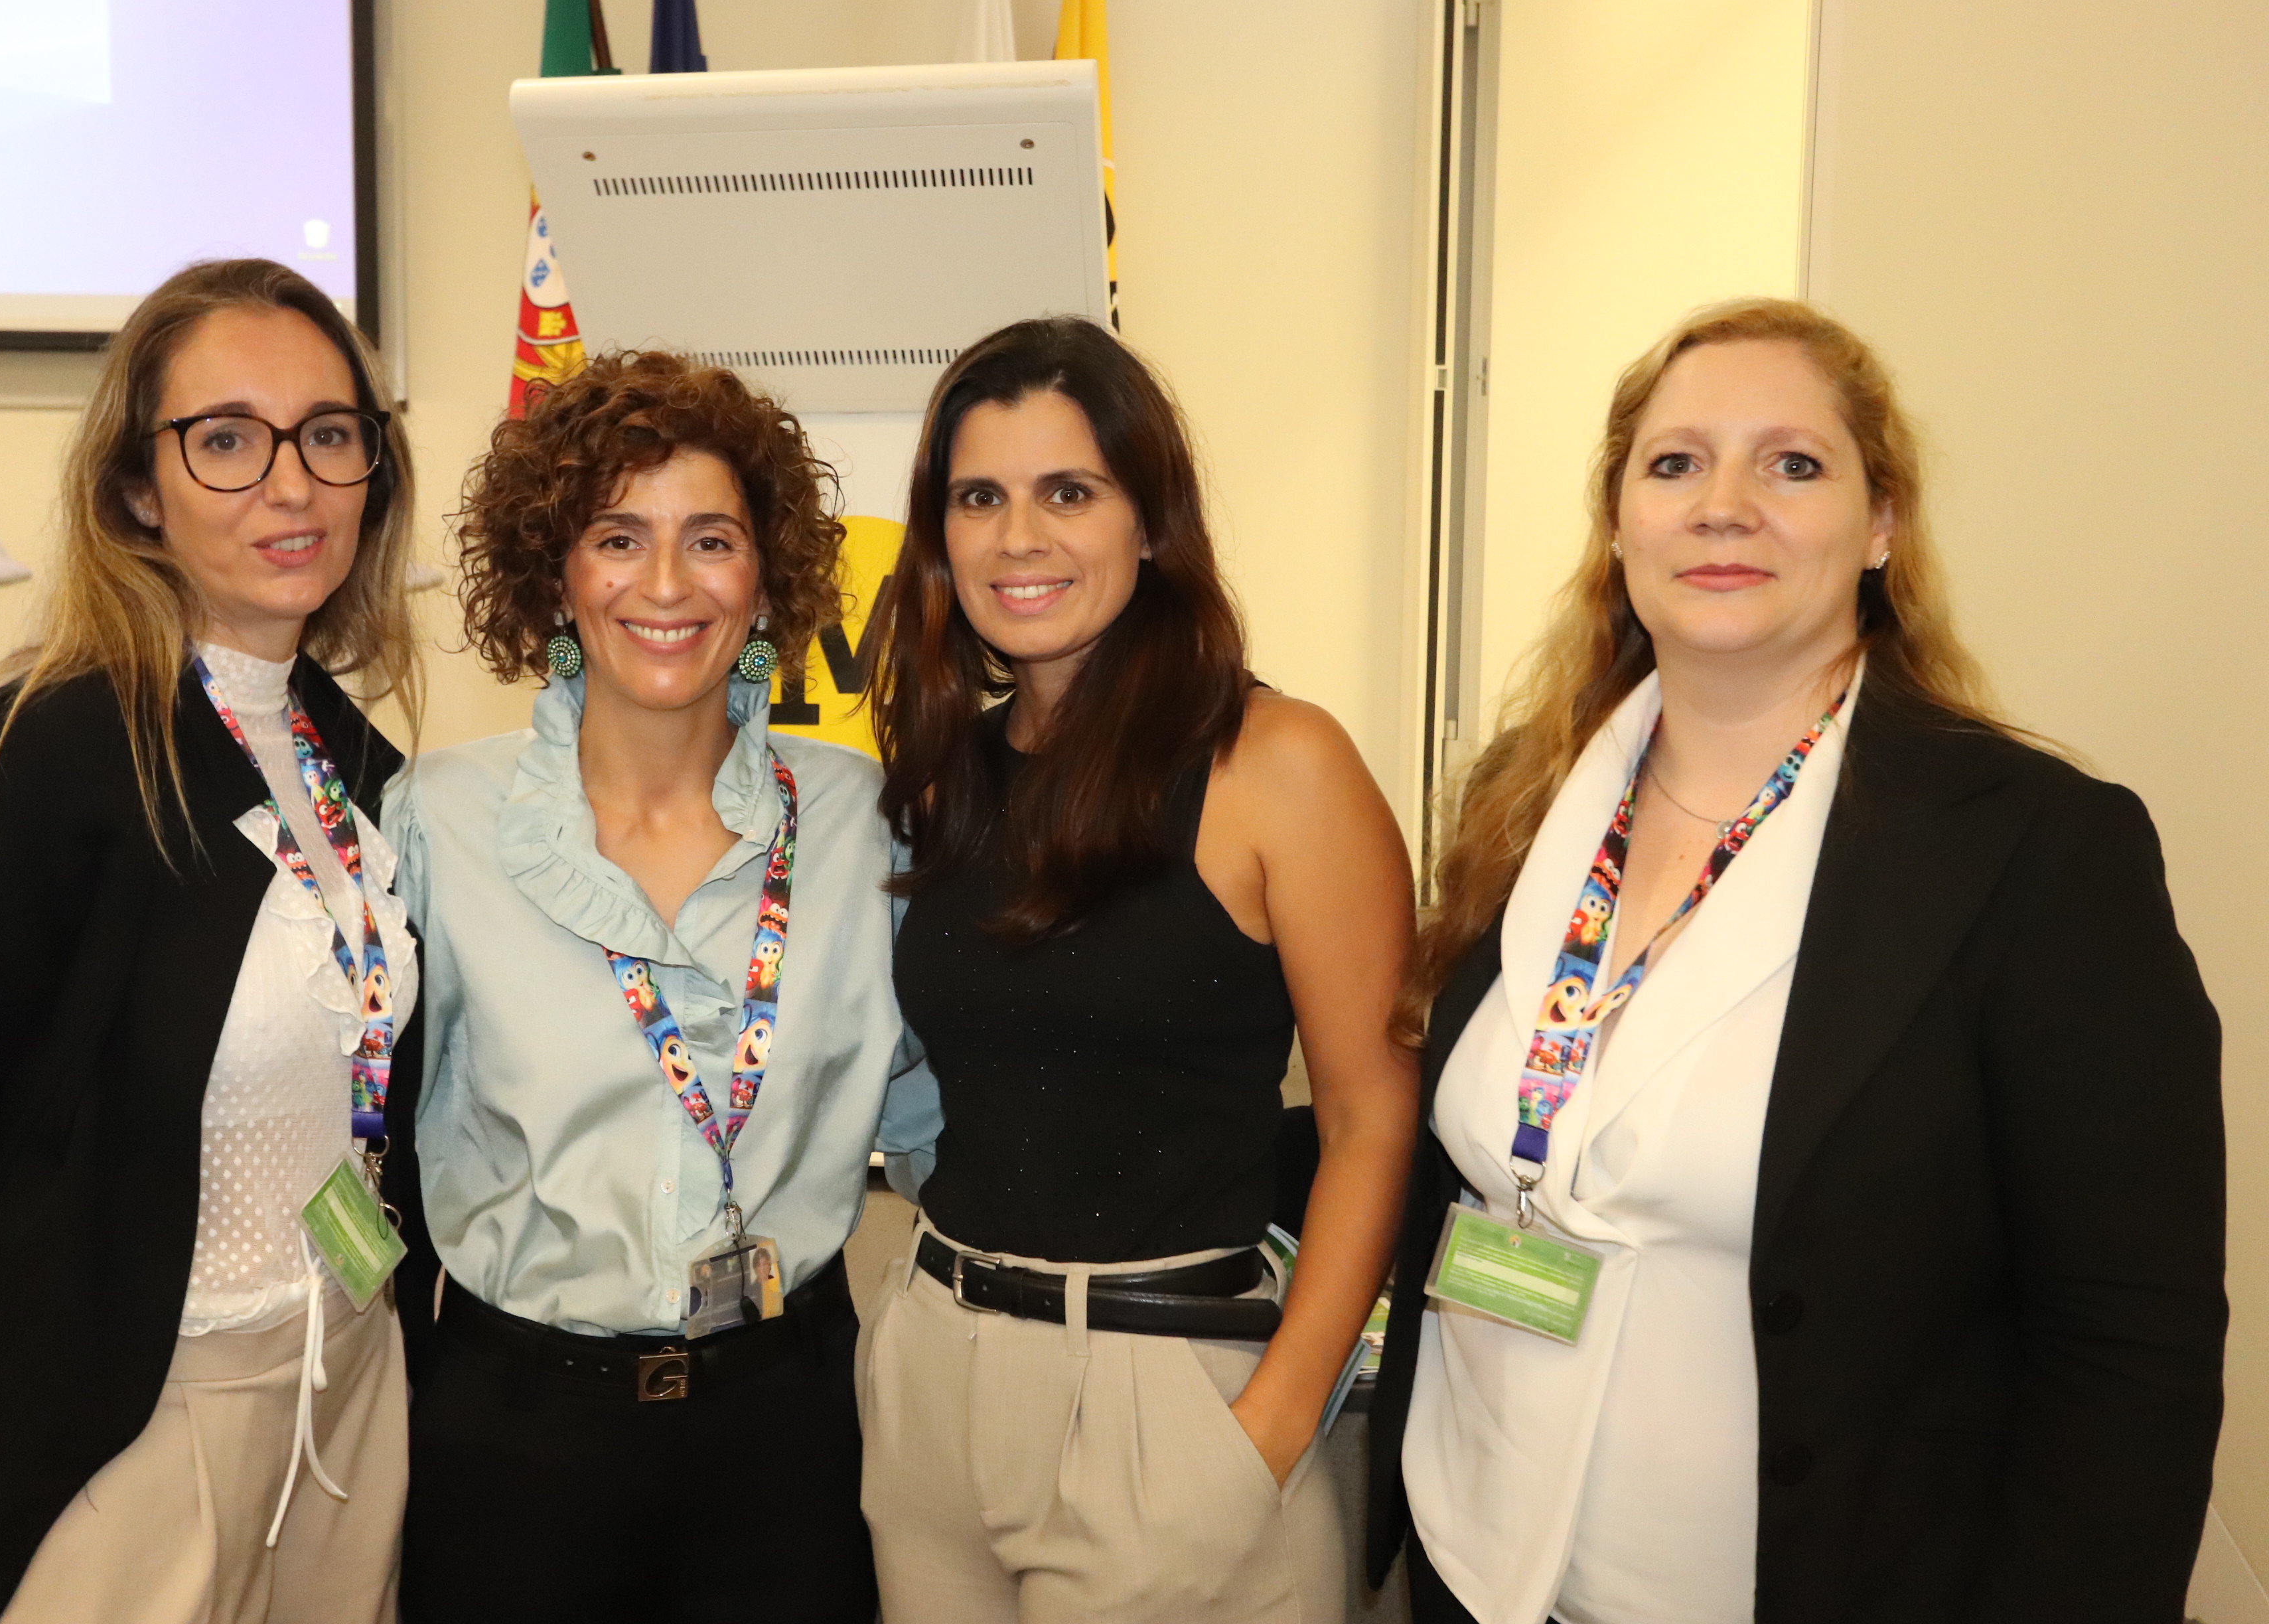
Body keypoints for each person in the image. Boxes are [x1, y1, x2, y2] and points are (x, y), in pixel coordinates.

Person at [1369, 298, 2225, 1624]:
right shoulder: (1522, 802)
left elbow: (2128, 1343)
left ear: (1881, 524)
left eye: (1792, 463)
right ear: (1618, 523)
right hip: (1476, 1565)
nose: (1724, 506)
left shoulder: (2037, 852)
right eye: (1675, 463)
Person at [0, 258, 425, 1624]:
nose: (293, 484)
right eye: (227, 440)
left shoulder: (348, 755)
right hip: (126, 1429)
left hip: (348, 1395)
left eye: (329, 433)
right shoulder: (20, 769)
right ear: (139, 487)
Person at [858, 316, 1417, 1623]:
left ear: (1153, 520)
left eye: (1070, 492)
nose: (1019, 537)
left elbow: (1373, 1118)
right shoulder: (947, 773)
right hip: (934, 1373)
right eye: (979, 498)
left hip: (1172, 1387)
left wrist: (1266, 1435)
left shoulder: (1279, 764)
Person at [388, 350, 937, 1623]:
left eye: (713, 540)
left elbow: (941, 1125)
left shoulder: (862, 823)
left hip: (787, 1432)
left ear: (768, 576)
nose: (668, 584)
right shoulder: (438, 823)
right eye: (619, 538)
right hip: (517, 1436)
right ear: (555, 573)